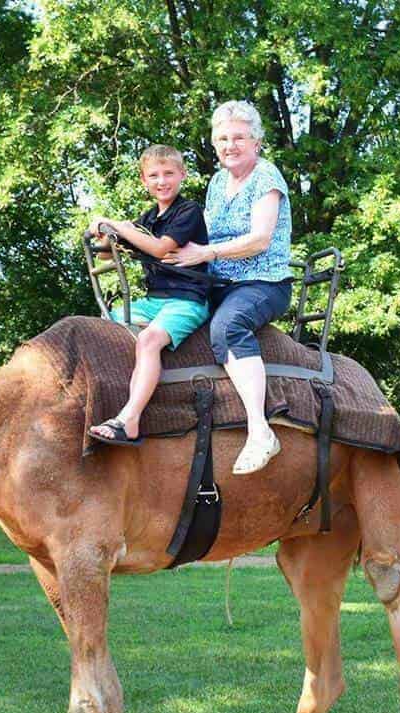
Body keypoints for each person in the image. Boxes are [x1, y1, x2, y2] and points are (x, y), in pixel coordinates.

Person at [164, 100, 293, 475]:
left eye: (238, 137)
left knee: (227, 326)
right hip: (217, 281)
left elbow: (260, 239)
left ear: (256, 142)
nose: (229, 145)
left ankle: (260, 430)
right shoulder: (218, 183)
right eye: (222, 138)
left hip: (261, 283)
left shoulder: (266, 177)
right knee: (165, 314)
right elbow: (197, 231)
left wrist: (207, 251)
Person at [87, 144, 209, 446]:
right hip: (155, 301)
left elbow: (158, 248)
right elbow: (106, 257)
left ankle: (130, 420)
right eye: (154, 175)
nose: (162, 181)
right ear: (144, 181)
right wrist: (103, 233)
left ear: (182, 175)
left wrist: (118, 225)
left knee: (149, 340)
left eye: (169, 173)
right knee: (104, 327)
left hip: (187, 298)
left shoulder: (188, 211)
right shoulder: (150, 217)